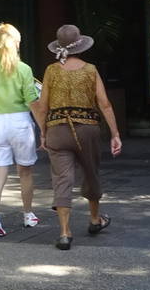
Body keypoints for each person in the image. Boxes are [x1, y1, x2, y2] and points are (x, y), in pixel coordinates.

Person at [31, 24, 122, 251]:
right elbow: (105, 104)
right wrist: (115, 133)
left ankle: (64, 233)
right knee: (90, 172)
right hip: (87, 129)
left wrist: (43, 132)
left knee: (62, 180)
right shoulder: (90, 69)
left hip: (57, 129)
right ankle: (94, 219)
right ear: (80, 45)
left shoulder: (51, 70)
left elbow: (42, 107)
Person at [0, 23, 42, 238]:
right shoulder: (24, 69)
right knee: (25, 172)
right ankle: (28, 214)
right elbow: (33, 102)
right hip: (20, 122)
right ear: (18, 43)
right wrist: (45, 129)